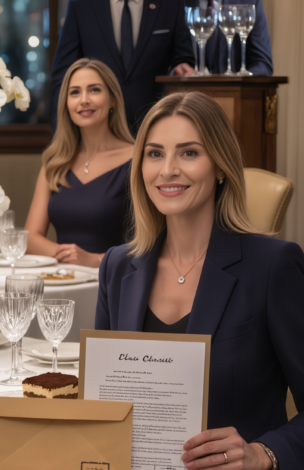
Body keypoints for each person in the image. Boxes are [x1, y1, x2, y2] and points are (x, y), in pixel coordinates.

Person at [96, 91, 304, 468]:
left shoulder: (273, 266)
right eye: (155, 153)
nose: (168, 170)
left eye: (189, 153)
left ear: (221, 166)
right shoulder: (117, 267)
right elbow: (103, 407)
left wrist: (264, 454)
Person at [26, 59, 134, 268]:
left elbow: (150, 243)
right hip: (64, 281)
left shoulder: (137, 159)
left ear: (112, 99)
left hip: (116, 282)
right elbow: (30, 238)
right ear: (66, 103)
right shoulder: (55, 162)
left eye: (94, 90)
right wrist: (69, 255)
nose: (84, 100)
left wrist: (94, 260)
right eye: (75, 92)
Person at [50, 0, 195, 132]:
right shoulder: (81, 4)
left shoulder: (171, 4)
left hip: (154, 125)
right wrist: (63, 131)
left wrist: (181, 66)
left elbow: (183, 58)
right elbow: (63, 74)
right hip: (100, 130)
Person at [202, 0, 273, 76]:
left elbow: (263, 64)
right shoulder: (188, 3)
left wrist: (240, 79)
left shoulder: (250, 2)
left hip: (239, 86)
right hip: (194, 86)